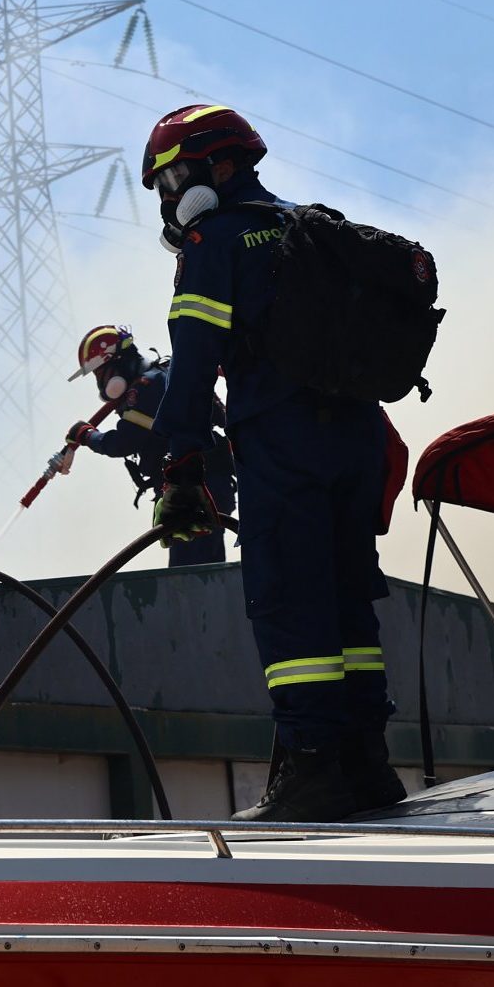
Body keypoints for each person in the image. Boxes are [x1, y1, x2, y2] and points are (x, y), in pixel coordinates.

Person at [140, 104, 404, 822]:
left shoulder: (214, 237)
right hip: (356, 439)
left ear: (208, 166)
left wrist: (181, 463)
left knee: (290, 601)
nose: (167, 199)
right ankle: (365, 764)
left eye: (169, 180)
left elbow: (193, 359)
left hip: (282, 441)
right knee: (349, 599)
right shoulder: (315, 223)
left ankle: (313, 769)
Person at [64, 324, 236, 566]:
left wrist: (86, 435)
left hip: (190, 490)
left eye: (100, 373)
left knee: (190, 574)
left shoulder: (144, 389)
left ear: (116, 362)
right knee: (205, 567)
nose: (101, 383)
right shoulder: (167, 376)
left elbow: (120, 444)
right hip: (210, 483)